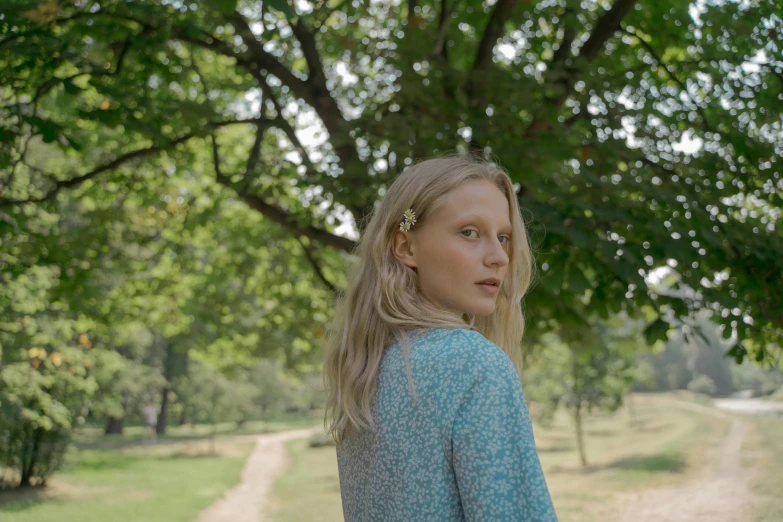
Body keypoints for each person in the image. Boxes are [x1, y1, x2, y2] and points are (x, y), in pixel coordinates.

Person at [323, 155, 558, 520]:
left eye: (504, 237)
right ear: (405, 247)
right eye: (469, 232)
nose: (499, 256)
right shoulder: (475, 366)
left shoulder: (366, 371)